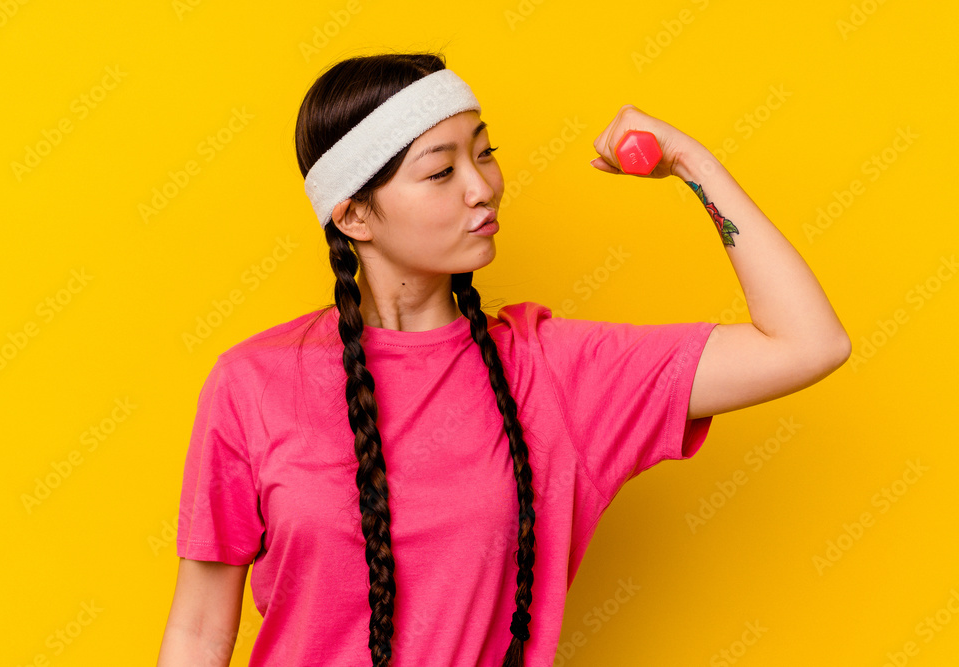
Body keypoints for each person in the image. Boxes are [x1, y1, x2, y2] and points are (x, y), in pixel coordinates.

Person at [156, 52, 851, 667]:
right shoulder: (250, 382)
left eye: (485, 153)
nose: (483, 186)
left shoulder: (554, 373)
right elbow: (197, 631)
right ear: (355, 217)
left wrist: (692, 162)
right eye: (441, 170)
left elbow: (807, 343)